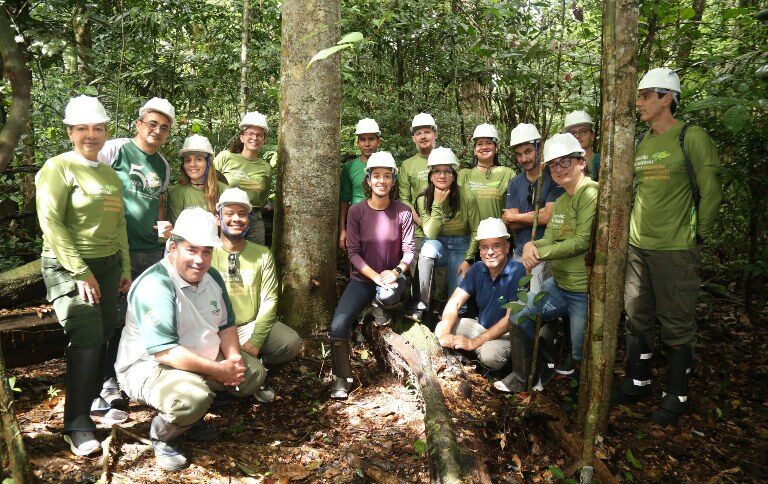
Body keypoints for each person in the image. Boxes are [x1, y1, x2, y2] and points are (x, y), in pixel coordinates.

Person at [115, 208, 266, 471]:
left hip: (199, 354)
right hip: (150, 365)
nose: (200, 260)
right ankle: (164, 435)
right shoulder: (156, 285)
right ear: (172, 248)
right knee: (191, 398)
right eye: (191, 250)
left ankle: (196, 413)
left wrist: (233, 360)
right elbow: (166, 353)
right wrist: (220, 370)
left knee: (251, 373)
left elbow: (226, 325)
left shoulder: (212, 277)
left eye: (206, 251)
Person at [614, 67, 722, 425]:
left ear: (666, 98)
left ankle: (676, 394)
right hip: (637, 247)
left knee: (676, 324)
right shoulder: (643, 141)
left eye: (645, 96)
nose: (639, 102)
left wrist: (697, 236)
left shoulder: (690, 137)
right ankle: (638, 380)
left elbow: (711, 192)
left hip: (675, 248)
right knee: (637, 316)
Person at [36, 95, 131, 456]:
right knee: (88, 336)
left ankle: (91, 401)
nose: (91, 134)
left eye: (98, 128)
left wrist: (123, 267)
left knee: (106, 330)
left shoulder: (108, 172)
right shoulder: (57, 167)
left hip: (108, 265)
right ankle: (76, 423)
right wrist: (80, 271)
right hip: (70, 265)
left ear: (106, 131)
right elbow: (51, 222)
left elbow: (119, 221)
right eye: (82, 128)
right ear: (70, 132)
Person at [496, 133, 598, 392]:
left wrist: (539, 253)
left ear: (581, 162)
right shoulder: (562, 200)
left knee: (579, 352)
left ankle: (579, 396)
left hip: (584, 290)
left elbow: (581, 241)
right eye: (554, 165)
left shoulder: (591, 193)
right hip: (560, 284)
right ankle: (527, 378)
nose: (559, 169)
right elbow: (550, 237)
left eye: (566, 162)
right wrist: (532, 245)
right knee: (519, 315)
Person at [97, 97, 175, 420]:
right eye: (152, 124)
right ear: (139, 124)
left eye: (164, 127)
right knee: (114, 315)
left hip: (151, 251)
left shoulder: (164, 166)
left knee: (143, 315)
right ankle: (107, 383)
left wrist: (161, 230)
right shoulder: (115, 150)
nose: (156, 131)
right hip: (117, 248)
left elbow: (157, 203)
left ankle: (135, 376)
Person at [330, 152, 414, 399]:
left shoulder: (403, 211)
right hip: (363, 279)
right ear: (368, 180)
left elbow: (409, 251)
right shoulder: (357, 212)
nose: (381, 181)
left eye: (387, 176)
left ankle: (390, 307)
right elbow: (353, 252)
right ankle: (341, 378)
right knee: (338, 325)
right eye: (376, 176)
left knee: (387, 296)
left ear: (393, 180)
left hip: (393, 279)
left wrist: (396, 272)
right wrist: (374, 276)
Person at [210, 188, 301, 402]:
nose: (236, 219)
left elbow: (270, 300)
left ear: (249, 219)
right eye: (229, 213)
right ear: (218, 218)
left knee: (290, 342)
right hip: (216, 330)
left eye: (242, 214)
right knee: (244, 369)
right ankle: (223, 388)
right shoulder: (206, 252)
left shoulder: (261, 254)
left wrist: (256, 340)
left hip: (250, 324)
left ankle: (257, 379)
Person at [434, 218, 526, 371]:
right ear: (480, 250)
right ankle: (475, 350)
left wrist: (473, 343)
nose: (489, 252)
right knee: (440, 328)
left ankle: (494, 359)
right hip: (482, 328)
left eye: (496, 246)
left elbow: (510, 319)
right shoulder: (477, 268)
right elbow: (454, 302)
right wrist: (445, 333)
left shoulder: (518, 271)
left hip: (507, 335)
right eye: (484, 247)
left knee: (490, 355)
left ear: (507, 247)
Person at [407, 147, 480, 323]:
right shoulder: (423, 198)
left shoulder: (466, 196)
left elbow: (476, 230)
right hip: (438, 243)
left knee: (458, 301)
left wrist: (468, 259)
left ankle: (455, 325)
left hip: (461, 245)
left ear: (453, 176)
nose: (442, 176)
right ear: (431, 176)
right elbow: (430, 234)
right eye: (437, 171)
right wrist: (438, 204)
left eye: (447, 171)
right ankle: (420, 305)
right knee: (427, 250)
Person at [503, 124, 564, 293]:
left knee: (539, 303)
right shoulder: (515, 183)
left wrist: (515, 217)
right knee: (515, 300)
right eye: (519, 154)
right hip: (520, 252)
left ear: (539, 148)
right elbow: (512, 224)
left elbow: (547, 218)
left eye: (528, 151)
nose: (524, 159)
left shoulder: (553, 177)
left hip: (546, 253)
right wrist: (537, 215)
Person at [213, 111, 272, 246]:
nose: (254, 138)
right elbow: (210, 184)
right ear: (242, 137)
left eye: (259, 135)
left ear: (263, 140)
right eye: (250, 133)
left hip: (253, 218)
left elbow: (262, 197)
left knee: (255, 257)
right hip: (226, 215)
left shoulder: (266, 167)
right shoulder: (225, 157)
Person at [338, 118, 382, 250]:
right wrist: (342, 230)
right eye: (363, 139)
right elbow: (344, 199)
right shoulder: (349, 167)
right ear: (357, 143)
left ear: (378, 141)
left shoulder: (387, 165)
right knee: (356, 262)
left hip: (382, 223)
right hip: (357, 223)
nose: (367, 144)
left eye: (371, 139)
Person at [458, 123, 514, 221]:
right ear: (474, 150)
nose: (484, 147)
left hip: (498, 233)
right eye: (479, 144)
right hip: (470, 235)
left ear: (496, 148)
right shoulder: (464, 174)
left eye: (488, 143)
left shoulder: (507, 173)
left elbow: (515, 206)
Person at [167, 134, 227, 223]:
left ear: (208, 163)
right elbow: (176, 231)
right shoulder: (176, 193)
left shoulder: (224, 191)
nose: (192, 164)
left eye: (198, 159)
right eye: (188, 160)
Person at [563, 110, 600, 181]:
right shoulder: (560, 164)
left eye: (583, 132)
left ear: (592, 136)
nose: (577, 136)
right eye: (572, 134)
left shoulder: (601, 160)